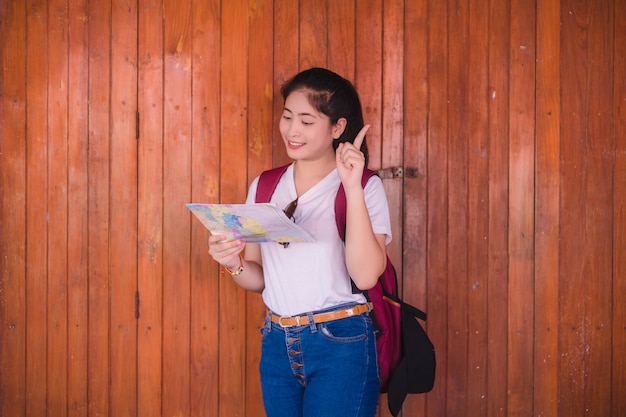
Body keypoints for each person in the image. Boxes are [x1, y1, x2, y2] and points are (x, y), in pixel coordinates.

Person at [207, 67, 392, 417]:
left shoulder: (365, 186)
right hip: (277, 341)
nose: (292, 130)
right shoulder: (264, 186)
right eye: (288, 116)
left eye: (307, 121)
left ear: (337, 127)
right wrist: (232, 262)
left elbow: (366, 276)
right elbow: (260, 278)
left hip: (342, 342)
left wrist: (351, 187)